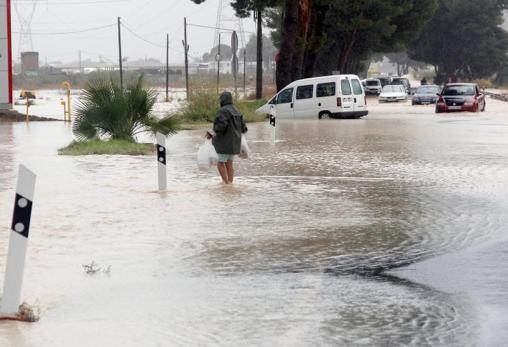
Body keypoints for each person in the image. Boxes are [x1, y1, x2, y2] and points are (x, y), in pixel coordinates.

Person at [206, 91, 247, 184]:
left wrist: (211, 133)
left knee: (220, 163)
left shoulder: (223, 110)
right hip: (234, 144)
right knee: (229, 163)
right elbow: (244, 128)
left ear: (222, 100)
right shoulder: (236, 110)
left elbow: (221, 124)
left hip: (224, 143)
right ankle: (230, 183)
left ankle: (226, 183)